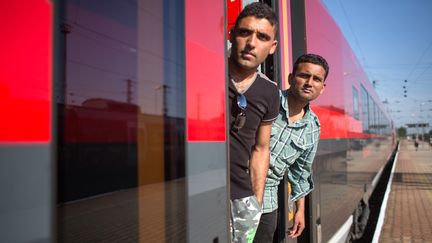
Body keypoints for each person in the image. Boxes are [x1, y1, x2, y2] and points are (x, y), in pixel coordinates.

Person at [254, 54, 329, 242]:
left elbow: (301, 173)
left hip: (268, 203)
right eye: (304, 75)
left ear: (322, 88)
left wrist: (300, 210)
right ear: (290, 78)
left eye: (316, 79)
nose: (309, 83)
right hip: (239, 189)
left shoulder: (312, 128)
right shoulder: (269, 98)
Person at [228, 2, 280, 243]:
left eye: (262, 37)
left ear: (272, 47)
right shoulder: (206, 70)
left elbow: (261, 148)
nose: (251, 43)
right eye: (244, 32)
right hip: (197, 194)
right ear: (232, 35)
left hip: (242, 202)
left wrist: (256, 201)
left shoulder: (270, 92)